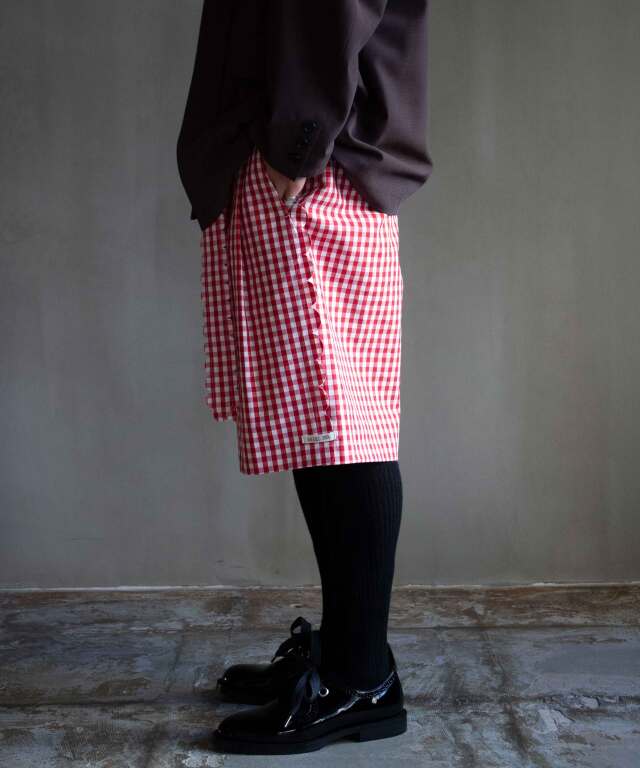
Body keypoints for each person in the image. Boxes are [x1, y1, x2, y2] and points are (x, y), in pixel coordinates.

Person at [176, 0, 433, 754]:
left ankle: (361, 680)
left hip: (315, 169)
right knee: (322, 424)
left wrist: (299, 143)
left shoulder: (304, 154)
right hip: (307, 158)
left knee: (343, 423)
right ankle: (348, 650)